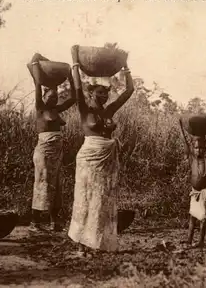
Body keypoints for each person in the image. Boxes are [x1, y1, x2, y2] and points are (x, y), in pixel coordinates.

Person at [67, 45, 134, 255]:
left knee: (101, 199)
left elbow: (129, 91)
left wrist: (125, 66)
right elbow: (77, 89)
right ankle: (80, 244)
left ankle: (97, 242)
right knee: (85, 198)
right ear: (90, 93)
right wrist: (75, 63)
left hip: (106, 159)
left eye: (105, 93)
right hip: (89, 157)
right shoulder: (84, 108)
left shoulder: (109, 110)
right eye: (99, 93)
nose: (103, 96)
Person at [29, 53, 76, 232]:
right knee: (42, 182)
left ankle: (54, 221)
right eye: (51, 95)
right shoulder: (40, 108)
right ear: (44, 95)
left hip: (57, 151)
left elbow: (73, 98)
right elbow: (37, 84)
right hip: (44, 150)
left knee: (56, 184)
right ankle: (35, 222)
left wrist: (71, 77)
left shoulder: (57, 109)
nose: (54, 97)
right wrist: (35, 64)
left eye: (56, 95)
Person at [178, 116, 206, 248]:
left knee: (203, 218)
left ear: (205, 149)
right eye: (197, 148)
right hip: (194, 192)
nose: (199, 150)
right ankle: (189, 240)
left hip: (204, 192)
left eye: (202, 148)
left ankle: (201, 241)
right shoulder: (191, 158)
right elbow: (185, 142)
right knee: (192, 217)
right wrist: (181, 127)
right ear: (193, 148)